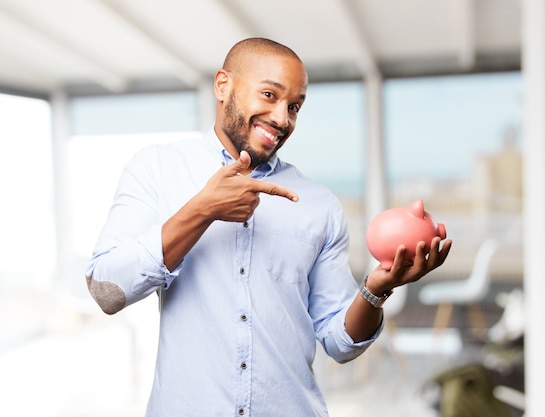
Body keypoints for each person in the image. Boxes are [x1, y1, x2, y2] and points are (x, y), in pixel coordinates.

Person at [85, 37, 452, 417]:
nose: (282, 118)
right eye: (269, 95)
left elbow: (341, 344)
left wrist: (377, 290)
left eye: (294, 106)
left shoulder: (319, 204)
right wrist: (202, 209)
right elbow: (107, 290)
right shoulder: (157, 169)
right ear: (223, 86)